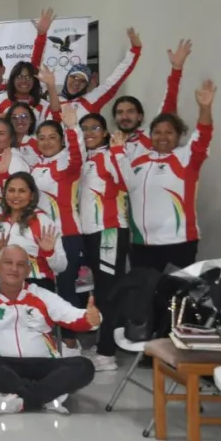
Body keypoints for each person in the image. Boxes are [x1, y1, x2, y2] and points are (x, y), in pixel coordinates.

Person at [0, 245, 100, 414]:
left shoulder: (41, 294)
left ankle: (21, 399)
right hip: (4, 366)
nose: (14, 269)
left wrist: (91, 318)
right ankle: (46, 396)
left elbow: (72, 314)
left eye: (20, 265)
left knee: (84, 365)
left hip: (43, 365)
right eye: (8, 262)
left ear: (28, 270)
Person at [110, 80, 215, 271]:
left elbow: (204, 134)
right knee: (146, 297)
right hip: (143, 245)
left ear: (178, 135)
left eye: (169, 132)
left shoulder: (187, 157)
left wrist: (205, 108)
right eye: (157, 132)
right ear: (150, 136)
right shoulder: (138, 160)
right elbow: (126, 183)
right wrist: (118, 152)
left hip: (180, 242)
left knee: (181, 297)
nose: (162, 136)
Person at [30, 105, 86, 352]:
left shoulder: (67, 165)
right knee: (44, 289)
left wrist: (73, 127)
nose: (46, 142)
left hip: (68, 236)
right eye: (41, 138)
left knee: (65, 290)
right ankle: (48, 340)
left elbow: (78, 156)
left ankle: (71, 341)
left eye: (52, 137)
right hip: (42, 239)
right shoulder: (34, 168)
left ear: (61, 140)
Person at [78, 113, 129, 371]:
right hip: (90, 234)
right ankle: (102, 345)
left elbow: (127, 181)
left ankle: (108, 353)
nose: (89, 132)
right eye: (84, 128)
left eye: (94, 128)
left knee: (109, 291)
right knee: (99, 291)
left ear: (106, 132)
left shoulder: (110, 155)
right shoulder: (85, 159)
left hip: (109, 232)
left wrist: (119, 152)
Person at [0, 172, 66, 283]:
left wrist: (49, 253)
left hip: (35, 281)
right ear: (5, 194)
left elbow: (62, 266)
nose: (16, 195)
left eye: (22, 191)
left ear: (32, 195)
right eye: (11, 190)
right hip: (2, 282)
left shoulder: (44, 221)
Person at [113, 39, 188, 159]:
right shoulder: (106, 143)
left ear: (140, 116)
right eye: (120, 112)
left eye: (130, 112)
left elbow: (168, 104)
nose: (125, 117)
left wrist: (176, 70)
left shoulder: (150, 136)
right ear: (115, 117)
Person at [58, 28, 142, 115]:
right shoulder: (52, 101)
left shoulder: (91, 100)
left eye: (83, 81)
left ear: (86, 85)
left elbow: (113, 81)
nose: (77, 83)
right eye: (74, 77)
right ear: (67, 77)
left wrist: (135, 50)